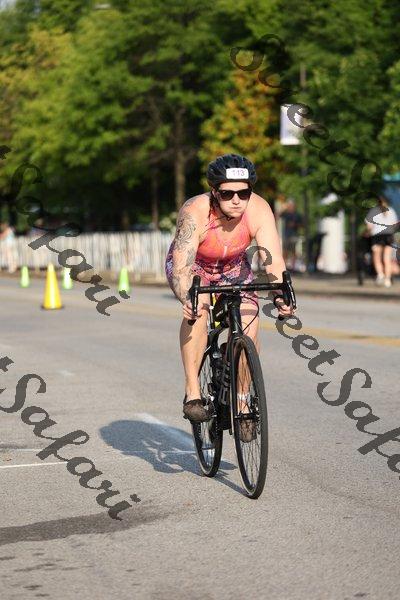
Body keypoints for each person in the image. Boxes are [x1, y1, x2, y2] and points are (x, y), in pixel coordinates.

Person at [165, 154, 294, 427]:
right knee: (198, 309)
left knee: (250, 321)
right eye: (227, 194)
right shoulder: (195, 211)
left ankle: (243, 399)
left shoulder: (259, 209)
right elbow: (181, 268)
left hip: (233, 266)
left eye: (243, 193)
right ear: (214, 192)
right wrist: (187, 297)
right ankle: (192, 391)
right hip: (194, 266)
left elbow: (273, 260)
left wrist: (280, 294)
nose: (236, 200)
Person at [365, 195, 398, 287]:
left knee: (377, 257)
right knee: (387, 259)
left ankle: (380, 274)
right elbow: (395, 225)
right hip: (389, 236)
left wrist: (368, 233)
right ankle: (387, 280)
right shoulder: (391, 210)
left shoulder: (373, 211)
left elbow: (369, 227)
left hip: (377, 236)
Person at [278, 199, 303, 270]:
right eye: (289, 205)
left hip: (294, 234)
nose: (290, 207)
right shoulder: (286, 214)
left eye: (291, 205)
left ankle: (293, 267)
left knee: (293, 251)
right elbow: (278, 215)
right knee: (285, 251)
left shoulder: (297, 214)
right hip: (286, 235)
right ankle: (284, 267)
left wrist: (295, 225)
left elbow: (302, 224)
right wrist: (283, 208)